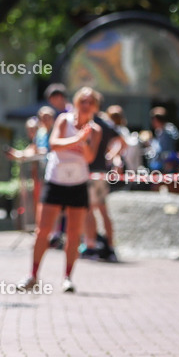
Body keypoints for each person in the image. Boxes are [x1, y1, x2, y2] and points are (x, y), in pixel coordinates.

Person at [19, 87, 102, 294]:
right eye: (82, 100)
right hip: (55, 180)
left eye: (90, 102)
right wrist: (77, 139)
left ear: (95, 107)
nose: (86, 105)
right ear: (76, 102)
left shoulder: (95, 130)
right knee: (43, 231)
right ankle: (33, 275)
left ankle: (67, 278)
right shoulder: (64, 120)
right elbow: (54, 144)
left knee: (74, 234)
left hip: (78, 182)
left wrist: (85, 141)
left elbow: (90, 157)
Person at [82, 102, 123, 261]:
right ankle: (110, 247)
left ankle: (91, 246)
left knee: (89, 211)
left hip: (91, 172)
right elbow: (122, 141)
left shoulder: (91, 124)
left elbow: (122, 142)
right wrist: (111, 156)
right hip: (102, 172)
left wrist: (111, 156)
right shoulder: (107, 124)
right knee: (103, 210)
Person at [149, 107, 179, 173]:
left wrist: (150, 142)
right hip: (164, 164)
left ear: (156, 119)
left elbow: (162, 150)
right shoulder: (160, 131)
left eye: (153, 120)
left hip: (168, 165)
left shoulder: (167, 131)